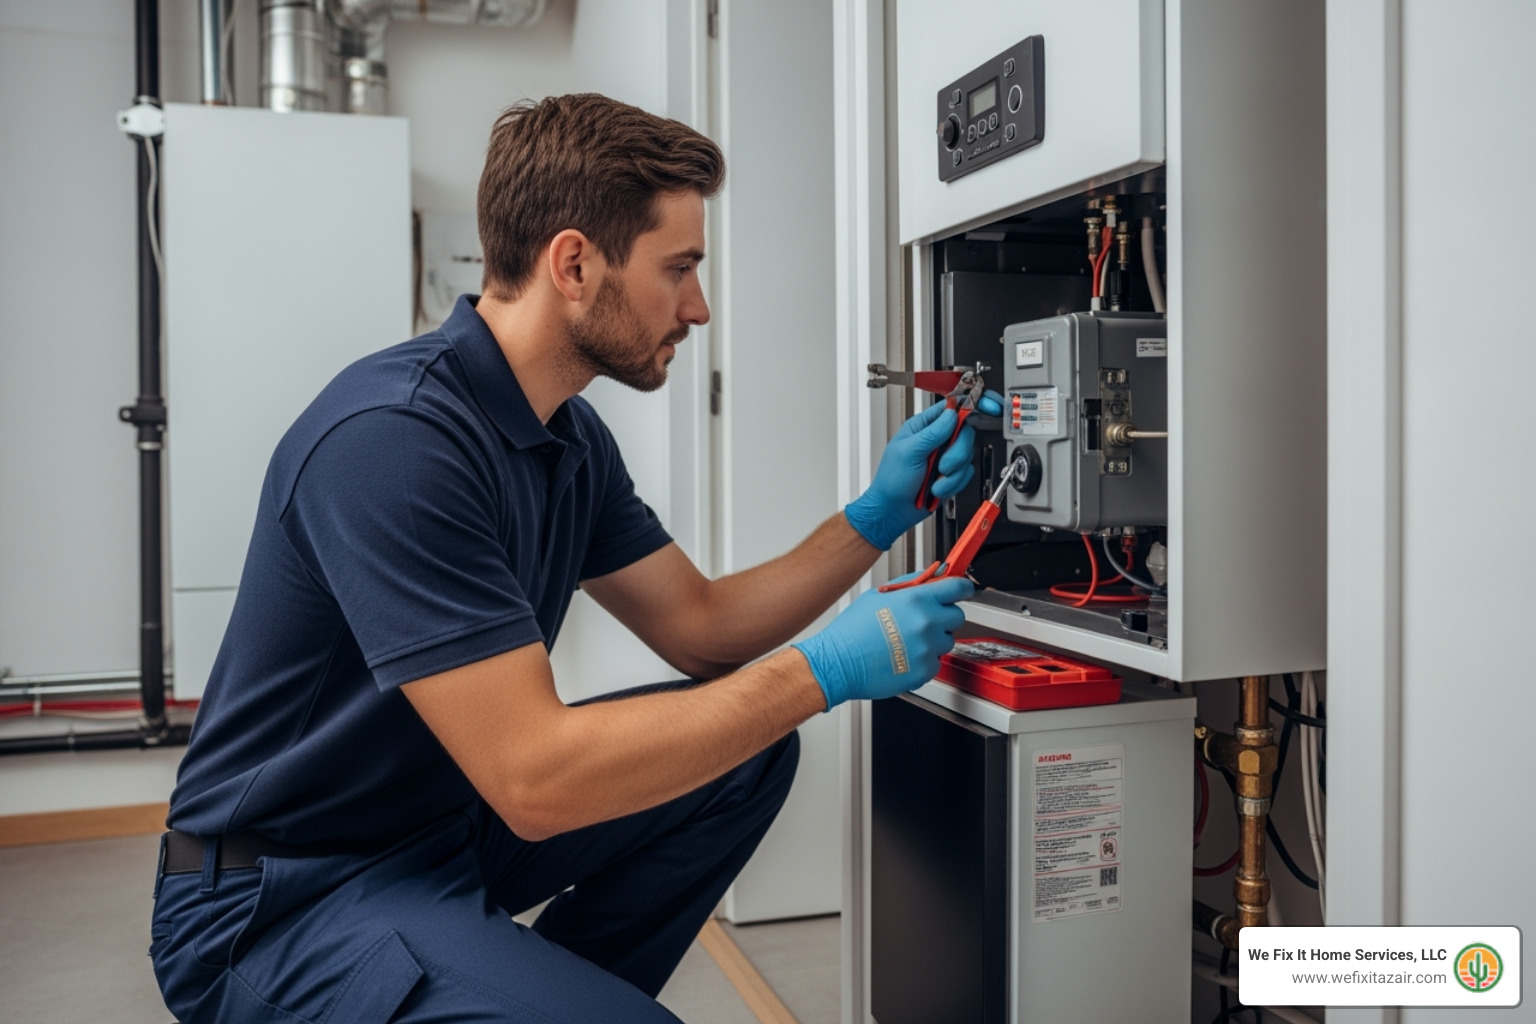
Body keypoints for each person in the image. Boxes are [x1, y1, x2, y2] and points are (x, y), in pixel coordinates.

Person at [150, 93, 997, 1024]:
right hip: (279, 896)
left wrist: (878, 515)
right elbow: (538, 780)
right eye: (679, 268)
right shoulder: (391, 442)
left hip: (437, 834)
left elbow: (702, 630)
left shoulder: (567, 438)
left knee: (747, 759)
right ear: (574, 263)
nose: (699, 307)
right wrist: (824, 670)